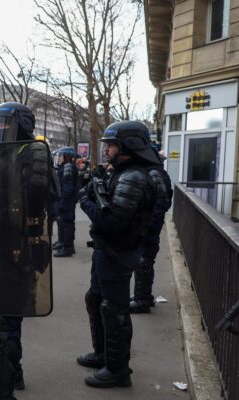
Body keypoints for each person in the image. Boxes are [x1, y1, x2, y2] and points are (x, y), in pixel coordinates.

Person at [0, 103, 55, 399]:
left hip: (15, 248)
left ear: (19, 125)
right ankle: (10, 370)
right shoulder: (0, 155)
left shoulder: (31, 153)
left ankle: (5, 381)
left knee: (4, 320)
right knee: (1, 312)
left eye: (4, 124)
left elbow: (35, 201)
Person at [77, 121, 158, 388]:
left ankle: (118, 369)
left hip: (117, 252)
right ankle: (104, 355)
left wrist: (86, 199)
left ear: (127, 146)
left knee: (114, 309)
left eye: (111, 144)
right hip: (107, 250)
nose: (107, 149)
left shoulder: (133, 176)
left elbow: (110, 221)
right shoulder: (124, 173)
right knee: (96, 299)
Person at [130, 146, 173, 314]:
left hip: (149, 229)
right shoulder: (154, 173)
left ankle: (142, 300)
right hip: (149, 227)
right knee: (144, 262)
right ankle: (143, 296)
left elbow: (160, 204)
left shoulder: (154, 174)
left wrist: (147, 226)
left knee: (144, 262)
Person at [53, 147, 79, 257]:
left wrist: (62, 203)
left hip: (67, 201)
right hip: (67, 200)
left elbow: (67, 188)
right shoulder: (66, 166)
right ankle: (65, 244)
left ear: (67, 156)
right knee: (64, 222)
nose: (59, 158)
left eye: (61, 156)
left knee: (66, 223)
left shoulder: (68, 167)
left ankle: (67, 248)